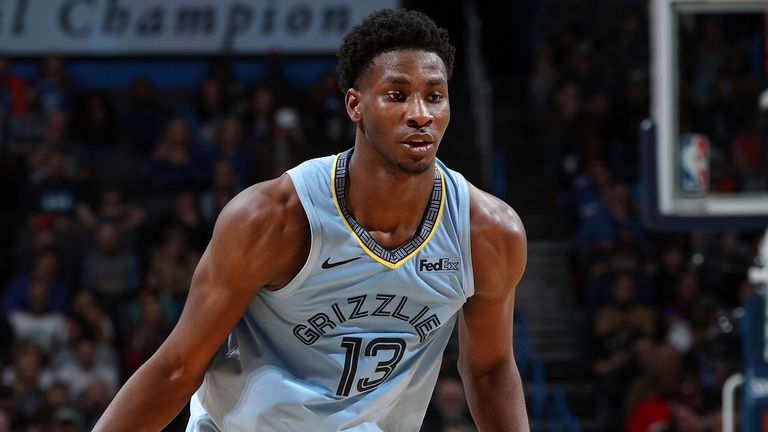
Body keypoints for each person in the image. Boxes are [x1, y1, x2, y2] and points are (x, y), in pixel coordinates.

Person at [93, 8, 528, 431]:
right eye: (396, 95)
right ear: (356, 105)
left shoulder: (487, 233)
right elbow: (178, 368)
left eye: (434, 96)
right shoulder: (274, 218)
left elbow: (490, 370)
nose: (420, 114)